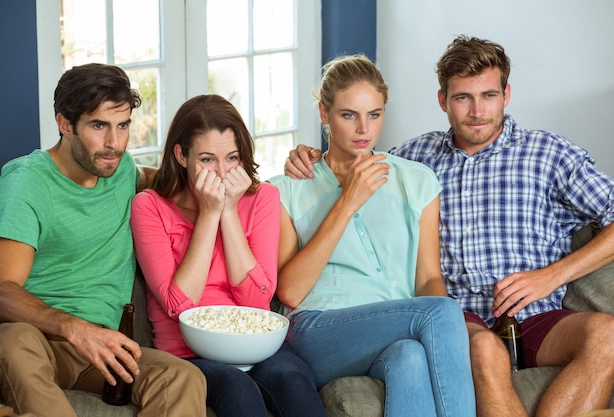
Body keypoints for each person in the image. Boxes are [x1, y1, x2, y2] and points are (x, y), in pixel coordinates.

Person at [285, 36, 614, 417]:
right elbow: (351, 158)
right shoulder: (413, 161)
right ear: (443, 101)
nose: (477, 111)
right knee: (484, 350)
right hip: (459, 317)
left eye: (488, 95)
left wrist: (550, 276)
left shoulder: (549, 153)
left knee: (607, 335)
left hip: (537, 315)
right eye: (462, 98)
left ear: (506, 95)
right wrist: (306, 156)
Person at [0, 63, 207, 417]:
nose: (114, 143)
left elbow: (166, 181)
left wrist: (268, 179)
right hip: (41, 339)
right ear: (64, 124)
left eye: (123, 126)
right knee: (11, 341)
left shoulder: (120, 170)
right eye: (98, 126)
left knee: (182, 377)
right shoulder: (25, 184)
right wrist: (76, 329)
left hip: (106, 350)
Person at [269, 54, 476, 417]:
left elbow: (427, 277)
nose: (363, 129)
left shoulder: (417, 180)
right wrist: (347, 201)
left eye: (374, 115)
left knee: (409, 357)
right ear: (324, 114)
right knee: (442, 313)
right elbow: (289, 291)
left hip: (397, 329)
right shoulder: (287, 188)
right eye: (349, 115)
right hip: (317, 331)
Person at [129, 94, 327, 417]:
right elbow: (179, 305)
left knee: (292, 379)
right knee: (237, 387)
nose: (222, 173)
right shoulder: (149, 207)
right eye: (207, 160)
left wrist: (229, 213)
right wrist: (209, 215)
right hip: (188, 353)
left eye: (232, 158)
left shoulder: (263, 198)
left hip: (254, 343)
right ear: (181, 155)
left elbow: (258, 303)